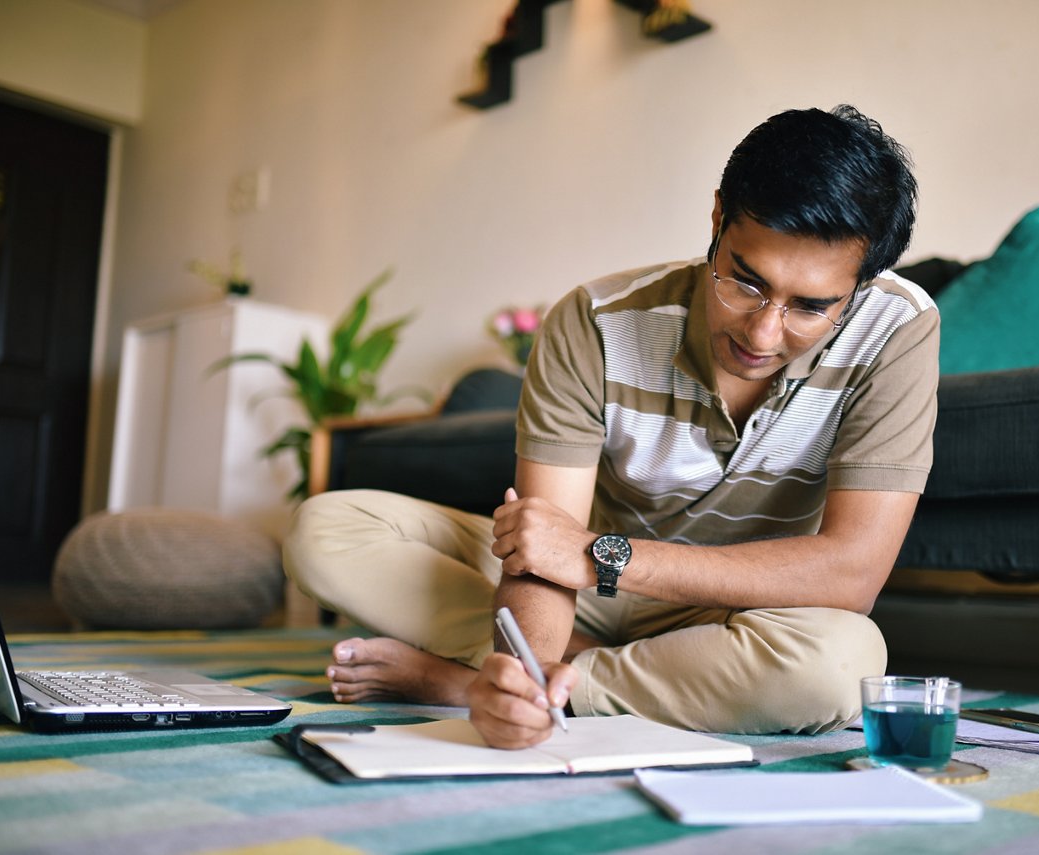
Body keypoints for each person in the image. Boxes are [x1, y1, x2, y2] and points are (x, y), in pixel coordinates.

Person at [283, 105, 938, 750]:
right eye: (744, 281)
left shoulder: (899, 329)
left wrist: (601, 559)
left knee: (842, 663)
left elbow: (851, 573)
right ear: (717, 219)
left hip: (734, 602)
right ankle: (597, 680)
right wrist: (527, 672)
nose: (764, 332)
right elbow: (544, 547)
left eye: (810, 306)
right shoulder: (594, 320)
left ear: (861, 285)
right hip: (585, 592)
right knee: (326, 530)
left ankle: (470, 684)